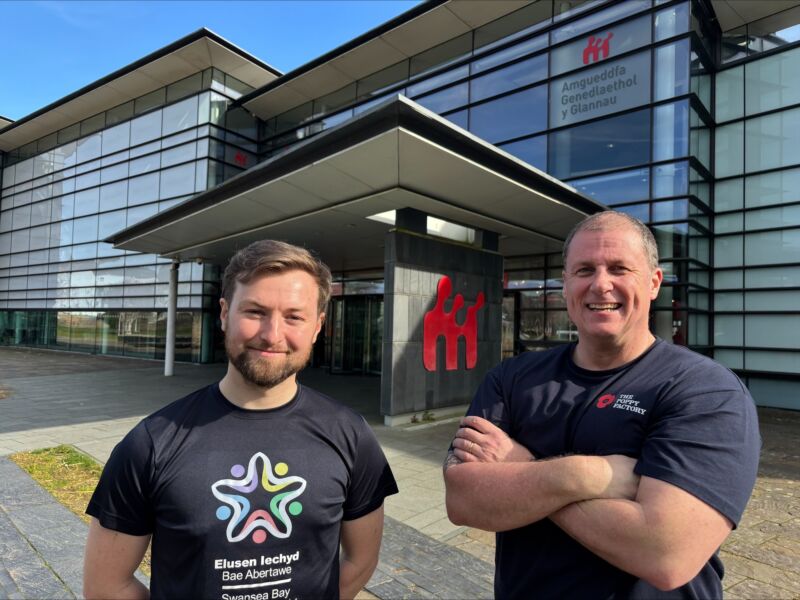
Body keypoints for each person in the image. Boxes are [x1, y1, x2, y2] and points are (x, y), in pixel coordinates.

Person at [443, 211, 760, 599]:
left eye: (619, 268)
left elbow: (665, 553)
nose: (600, 284)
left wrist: (520, 469)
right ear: (565, 284)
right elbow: (463, 500)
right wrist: (584, 476)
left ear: (654, 282)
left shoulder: (704, 391)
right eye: (584, 270)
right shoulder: (512, 378)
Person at [84, 240, 398, 600]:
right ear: (223, 313)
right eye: (255, 312)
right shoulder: (150, 443)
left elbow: (361, 559)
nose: (272, 334)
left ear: (317, 326)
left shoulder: (352, 435)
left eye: (294, 316)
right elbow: (106, 587)